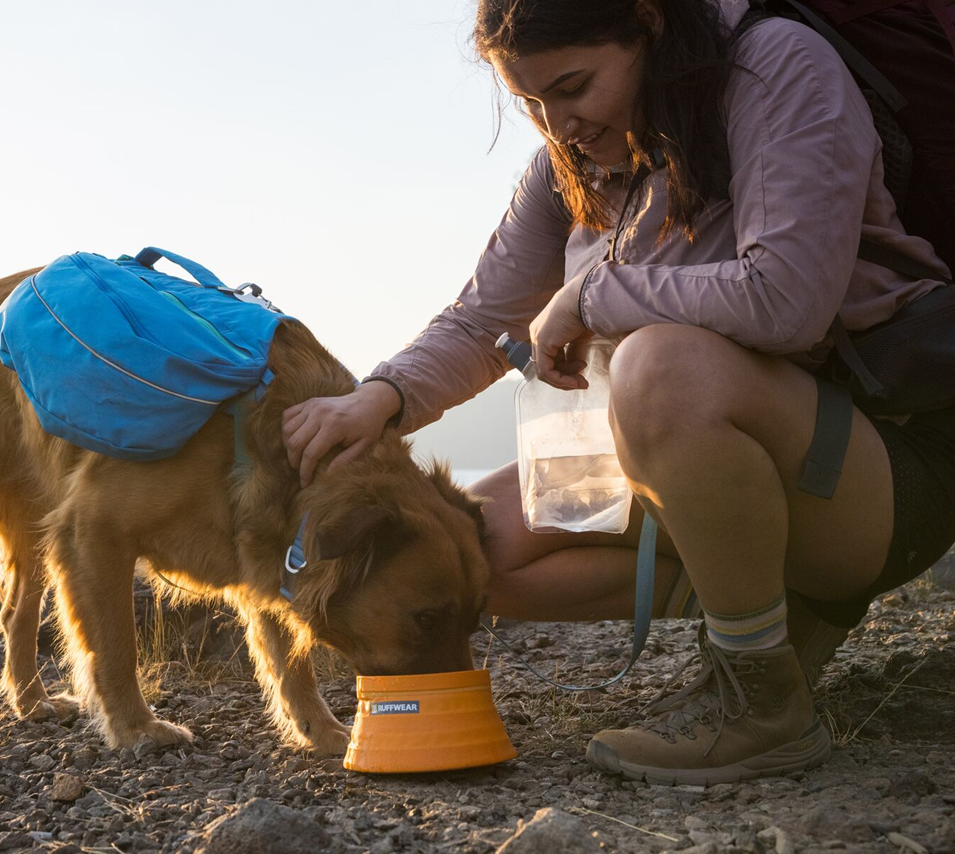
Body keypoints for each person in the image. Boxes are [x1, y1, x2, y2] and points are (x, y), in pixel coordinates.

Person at [281, 0, 955, 785]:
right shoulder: (577, 160)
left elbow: (787, 298)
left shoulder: (776, 68)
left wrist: (591, 297)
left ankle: (762, 705)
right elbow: (481, 317)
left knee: (661, 369)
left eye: (573, 86)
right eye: (531, 103)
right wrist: (382, 398)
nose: (557, 123)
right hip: (724, 461)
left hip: (886, 467)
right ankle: (766, 610)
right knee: (463, 552)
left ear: (649, 24)